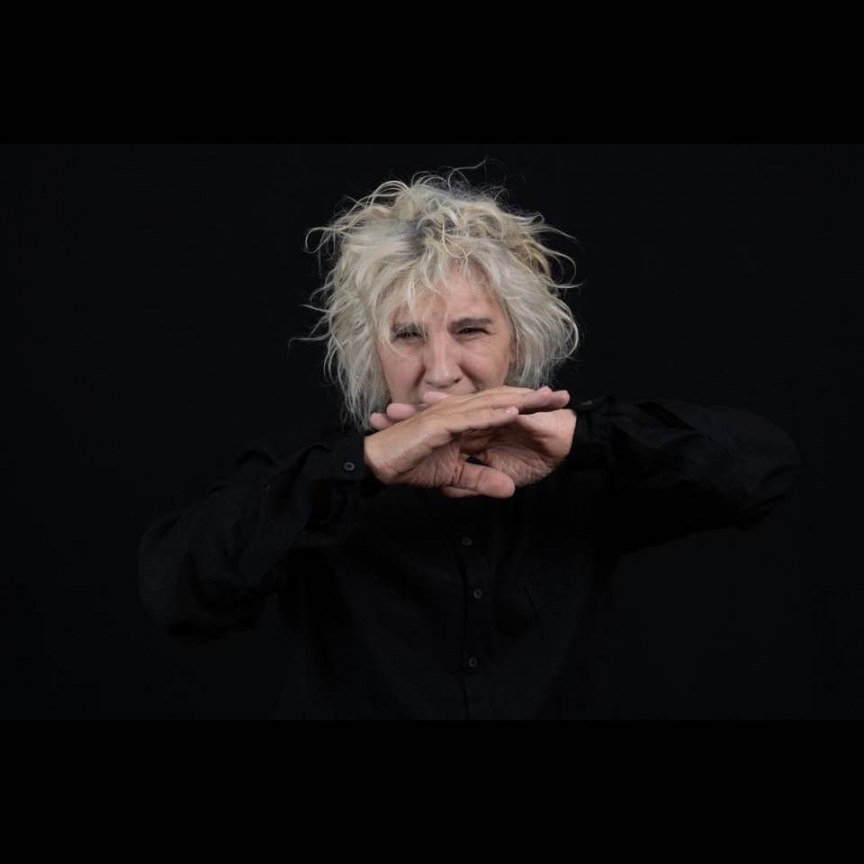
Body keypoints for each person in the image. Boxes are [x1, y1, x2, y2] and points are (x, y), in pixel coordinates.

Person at [137, 170, 801, 720]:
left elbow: (763, 471)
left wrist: (586, 437)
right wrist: (361, 467)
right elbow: (179, 593)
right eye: (407, 335)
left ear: (519, 339)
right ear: (370, 351)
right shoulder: (308, 478)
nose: (441, 370)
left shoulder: (582, 467)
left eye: (470, 330)